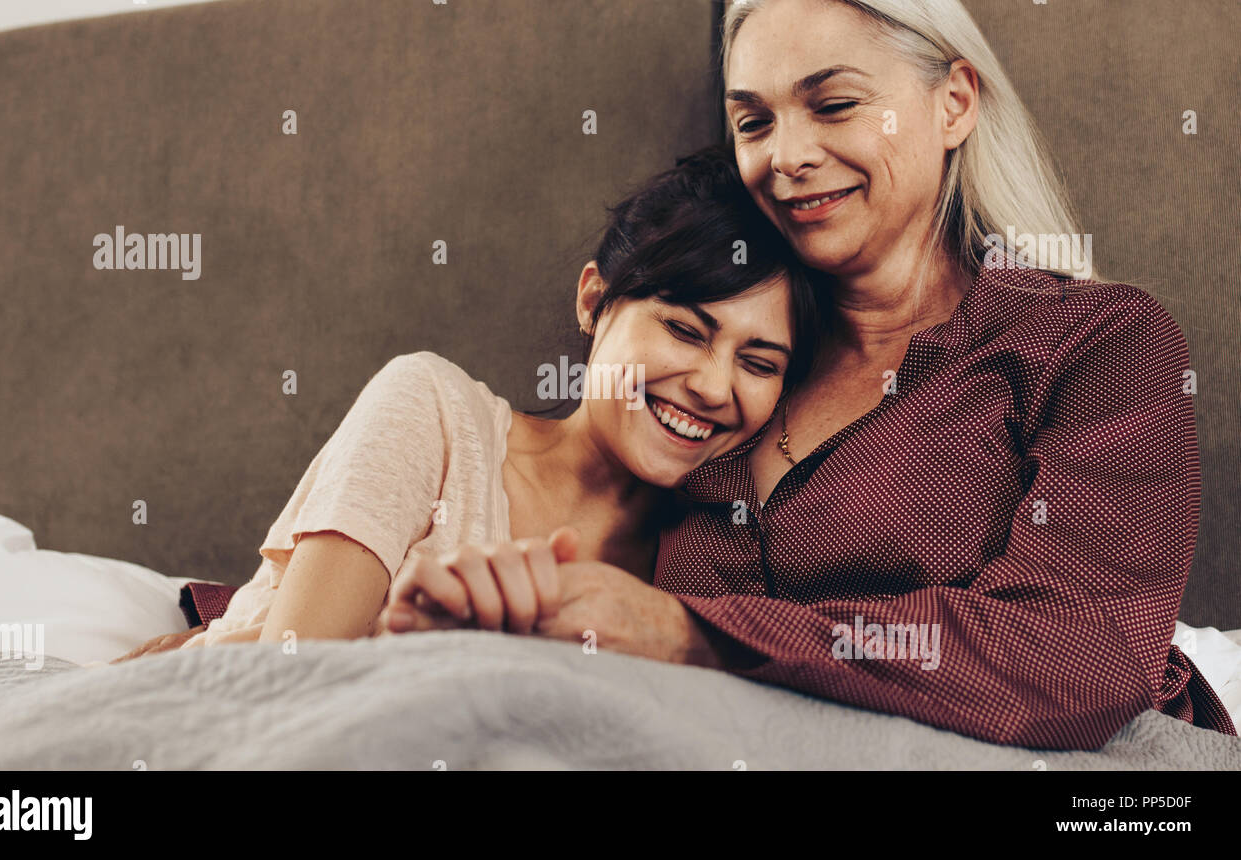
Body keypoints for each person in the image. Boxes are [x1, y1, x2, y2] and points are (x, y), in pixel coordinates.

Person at [382, 0, 1236, 751]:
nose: (786, 157)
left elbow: (1076, 657)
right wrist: (486, 621)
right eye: (753, 123)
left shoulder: (1097, 341)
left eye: (834, 104)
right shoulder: (730, 374)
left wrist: (683, 631)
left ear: (953, 103)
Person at [112, 144, 818, 658]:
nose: (713, 385)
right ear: (595, 300)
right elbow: (285, 674)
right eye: (684, 330)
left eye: (759, 362)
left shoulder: (713, 568)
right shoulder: (436, 411)